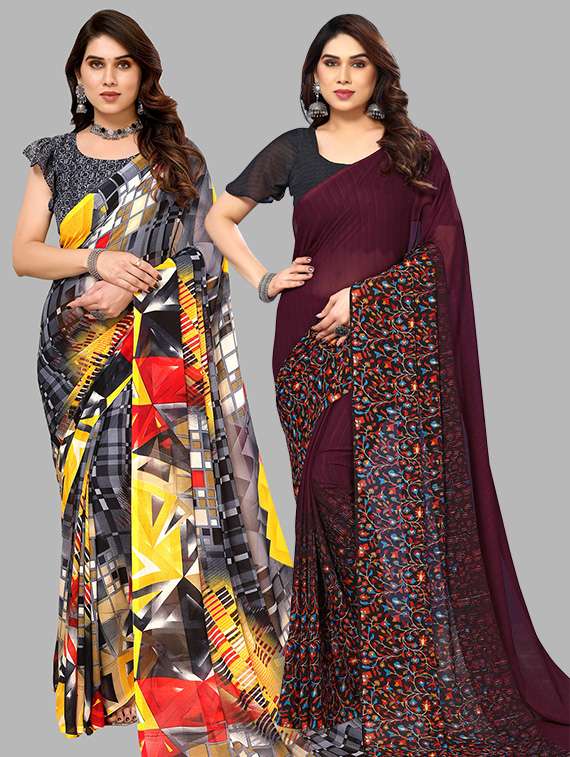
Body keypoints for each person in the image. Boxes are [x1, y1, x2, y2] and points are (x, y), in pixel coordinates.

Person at [204, 13, 570, 756]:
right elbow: (220, 216)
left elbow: (444, 253)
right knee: (327, 504)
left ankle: (402, 691)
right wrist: (265, 279)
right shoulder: (292, 150)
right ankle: (348, 697)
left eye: (358, 63)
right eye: (330, 63)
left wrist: (368, 302)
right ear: (313, 74)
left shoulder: (412, 149)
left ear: (379, 74)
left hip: (395, 357)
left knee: (394, 513)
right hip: (306, 352)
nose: (343, 76)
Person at [12, 10, 303, 756]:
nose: (109, 79)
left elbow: (203, 258)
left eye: (123, 65)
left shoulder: (177, 159)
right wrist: (97, 262)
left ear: (144, 74)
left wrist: (135, 289)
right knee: (97, 514)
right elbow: (24, 255)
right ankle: (109, 684)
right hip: (76, 362)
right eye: (96, 65)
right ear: (78, 75)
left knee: (167, 516)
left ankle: (183, 688)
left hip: (159, 362)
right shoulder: (52, 156)